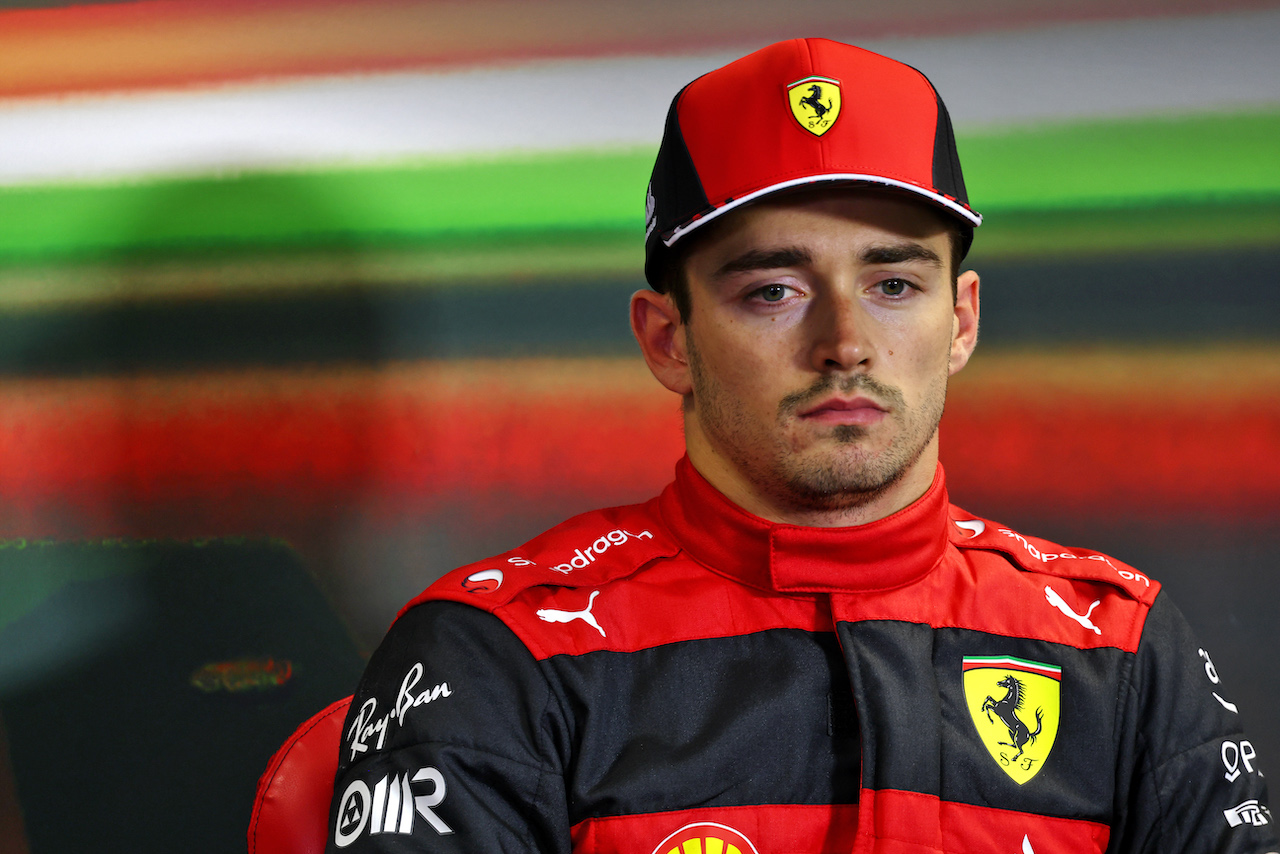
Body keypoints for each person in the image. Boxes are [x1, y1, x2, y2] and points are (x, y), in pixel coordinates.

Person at [325, 38, 1276, 854]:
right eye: (772, 290)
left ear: (962, 319)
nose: (845, 342)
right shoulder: (496, 655)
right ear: (668, 339)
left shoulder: (1121, 648)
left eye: (894, 284)